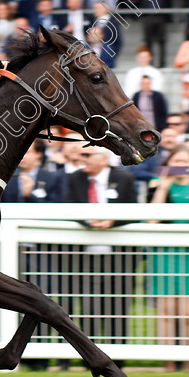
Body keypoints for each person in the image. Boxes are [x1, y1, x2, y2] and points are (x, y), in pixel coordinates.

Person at [67, 147, 138, 350]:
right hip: (84, 257)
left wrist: (112, 221)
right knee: (89, 307)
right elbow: (67, 207)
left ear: (104, 158)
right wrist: (89, 222)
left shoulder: (124, 178)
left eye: (88, 155)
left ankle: (119, 356)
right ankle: (91, 356)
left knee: (118, 305)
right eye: (81, 155)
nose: (83, 159)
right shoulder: (74, 179)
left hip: (118, 258)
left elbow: (135, 210)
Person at [148, 146, 189, 372]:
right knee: (165, 310)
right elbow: (152, 220)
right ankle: (169, 364)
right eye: (177, 162)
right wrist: (163, 186)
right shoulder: (160, 184)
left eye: (186, 161)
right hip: (165, 251)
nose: (181, 166)